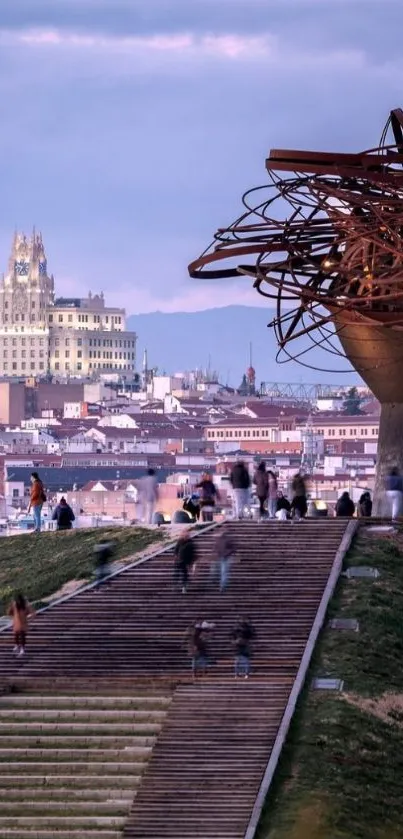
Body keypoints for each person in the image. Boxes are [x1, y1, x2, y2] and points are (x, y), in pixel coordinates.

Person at [8, 593, 35, 657]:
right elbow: (9, 612)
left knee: (22, 636)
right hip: (16, 623)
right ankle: (17, 645)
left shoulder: (25, 606)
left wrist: (30, 618)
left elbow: (33, 613)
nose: (19, 602)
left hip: (23, 624)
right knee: (16, 636)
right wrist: (11, 605)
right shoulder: (14, 606)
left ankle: (22, 649)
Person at [211, 525, 236, 593]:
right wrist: (215, 552)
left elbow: (233, 548)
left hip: (226, 557)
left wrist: (227, 553)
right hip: (219, 557)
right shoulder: (218, 539)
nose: (223, 531)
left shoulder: (229, 539)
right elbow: (215, 547)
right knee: (215, 571)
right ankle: (216, 583)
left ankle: (223, 587)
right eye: (222, 530)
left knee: (224, 572)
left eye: (224, 530)